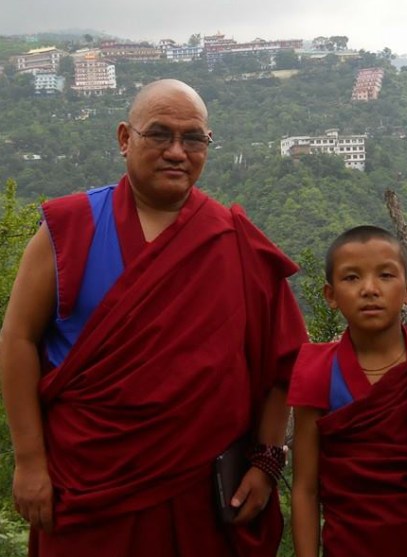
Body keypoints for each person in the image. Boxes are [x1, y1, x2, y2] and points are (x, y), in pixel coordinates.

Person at [0, 79, 308, 557]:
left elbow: (282, 362)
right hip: (85, 485)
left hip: (201, 494)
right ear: (125, 138)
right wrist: (29, 461)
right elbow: (17, 338)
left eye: (193, 138)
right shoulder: (70, 228)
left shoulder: (234, 240)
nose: (177, 152)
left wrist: (267, 462)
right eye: (160, 134)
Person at [288, 225, 407, 557]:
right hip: (350, 547)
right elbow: (305, 489)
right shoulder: (319, 371)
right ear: (330, 296)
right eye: (351, 278)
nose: (370, 289)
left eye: (386, 275)